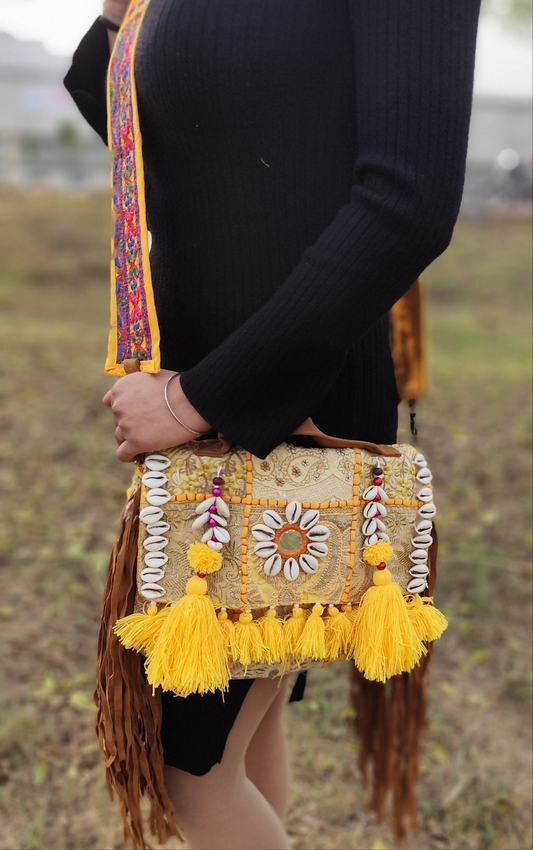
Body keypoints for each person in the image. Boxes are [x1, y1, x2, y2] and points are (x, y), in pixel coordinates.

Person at [65, 2, 481, 848]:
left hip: (285, 396)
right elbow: (151, 132)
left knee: (188, 764)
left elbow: (408, 200)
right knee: (236, 743)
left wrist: (199, 398)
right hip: (217, 406)